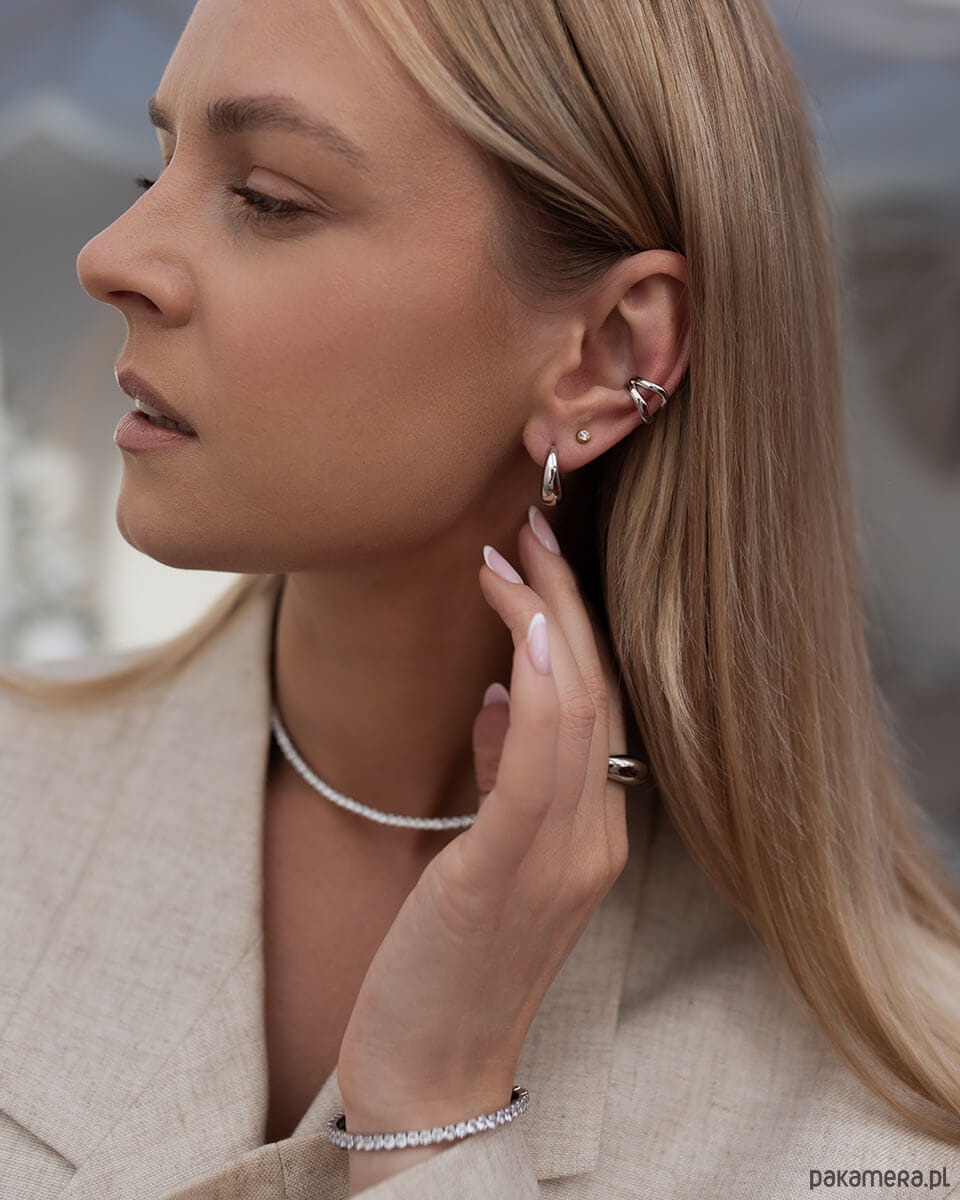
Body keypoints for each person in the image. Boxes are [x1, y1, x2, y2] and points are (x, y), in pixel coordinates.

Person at [2, 0, 960, 1196]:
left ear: (608, 356)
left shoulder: (887, 1129)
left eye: (267, 197)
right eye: (159, 168)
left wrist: (437, 1119)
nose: (109, 256)